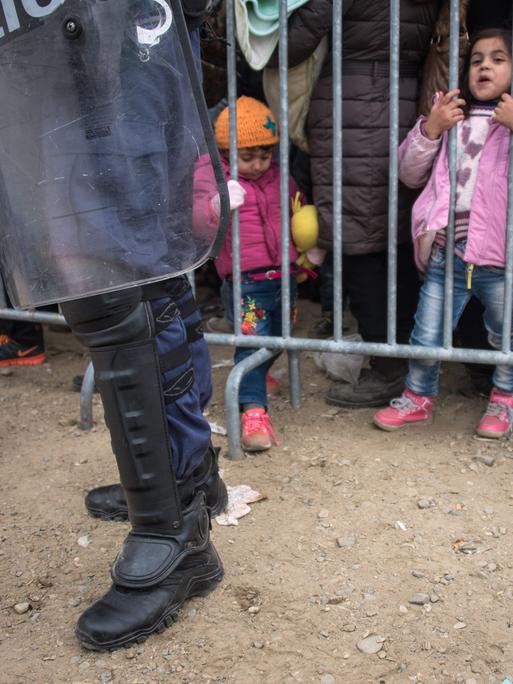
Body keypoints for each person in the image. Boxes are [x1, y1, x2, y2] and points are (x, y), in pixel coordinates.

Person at [0, 0, 229, 651]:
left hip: (105, 39)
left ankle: (171, 534)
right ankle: (185, 482)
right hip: (82, 41)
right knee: (145, 273)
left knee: (119, 279)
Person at [274, 0, 440, 407]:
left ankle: (389, 369)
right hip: (407, 104)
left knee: (358, 243)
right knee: (397, 240)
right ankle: (410, 359)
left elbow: (288, 47)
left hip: (352, 109)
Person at [374, 29, 513, 438]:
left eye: (498, 58)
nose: (485, 65)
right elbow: (410, 173)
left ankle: (504, 401)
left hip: (501, 255)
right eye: (477, 60)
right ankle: (418, 398)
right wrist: (430, 130)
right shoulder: (449, 114)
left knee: (507, 334)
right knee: (427, 332)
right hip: (446, 250)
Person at [211, 96, 309, 451]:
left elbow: (298, 215)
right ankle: (252, 412)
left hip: (284, 276)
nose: (256, 165)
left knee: (281, 335)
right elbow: (196, 222)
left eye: (264, 156)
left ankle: (258, 374)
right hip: (245, 281)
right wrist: (216, 204)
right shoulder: (216, 181)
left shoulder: (281, 178)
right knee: (252, 341)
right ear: (225, 152)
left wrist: (307, 250)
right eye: (246, 157)